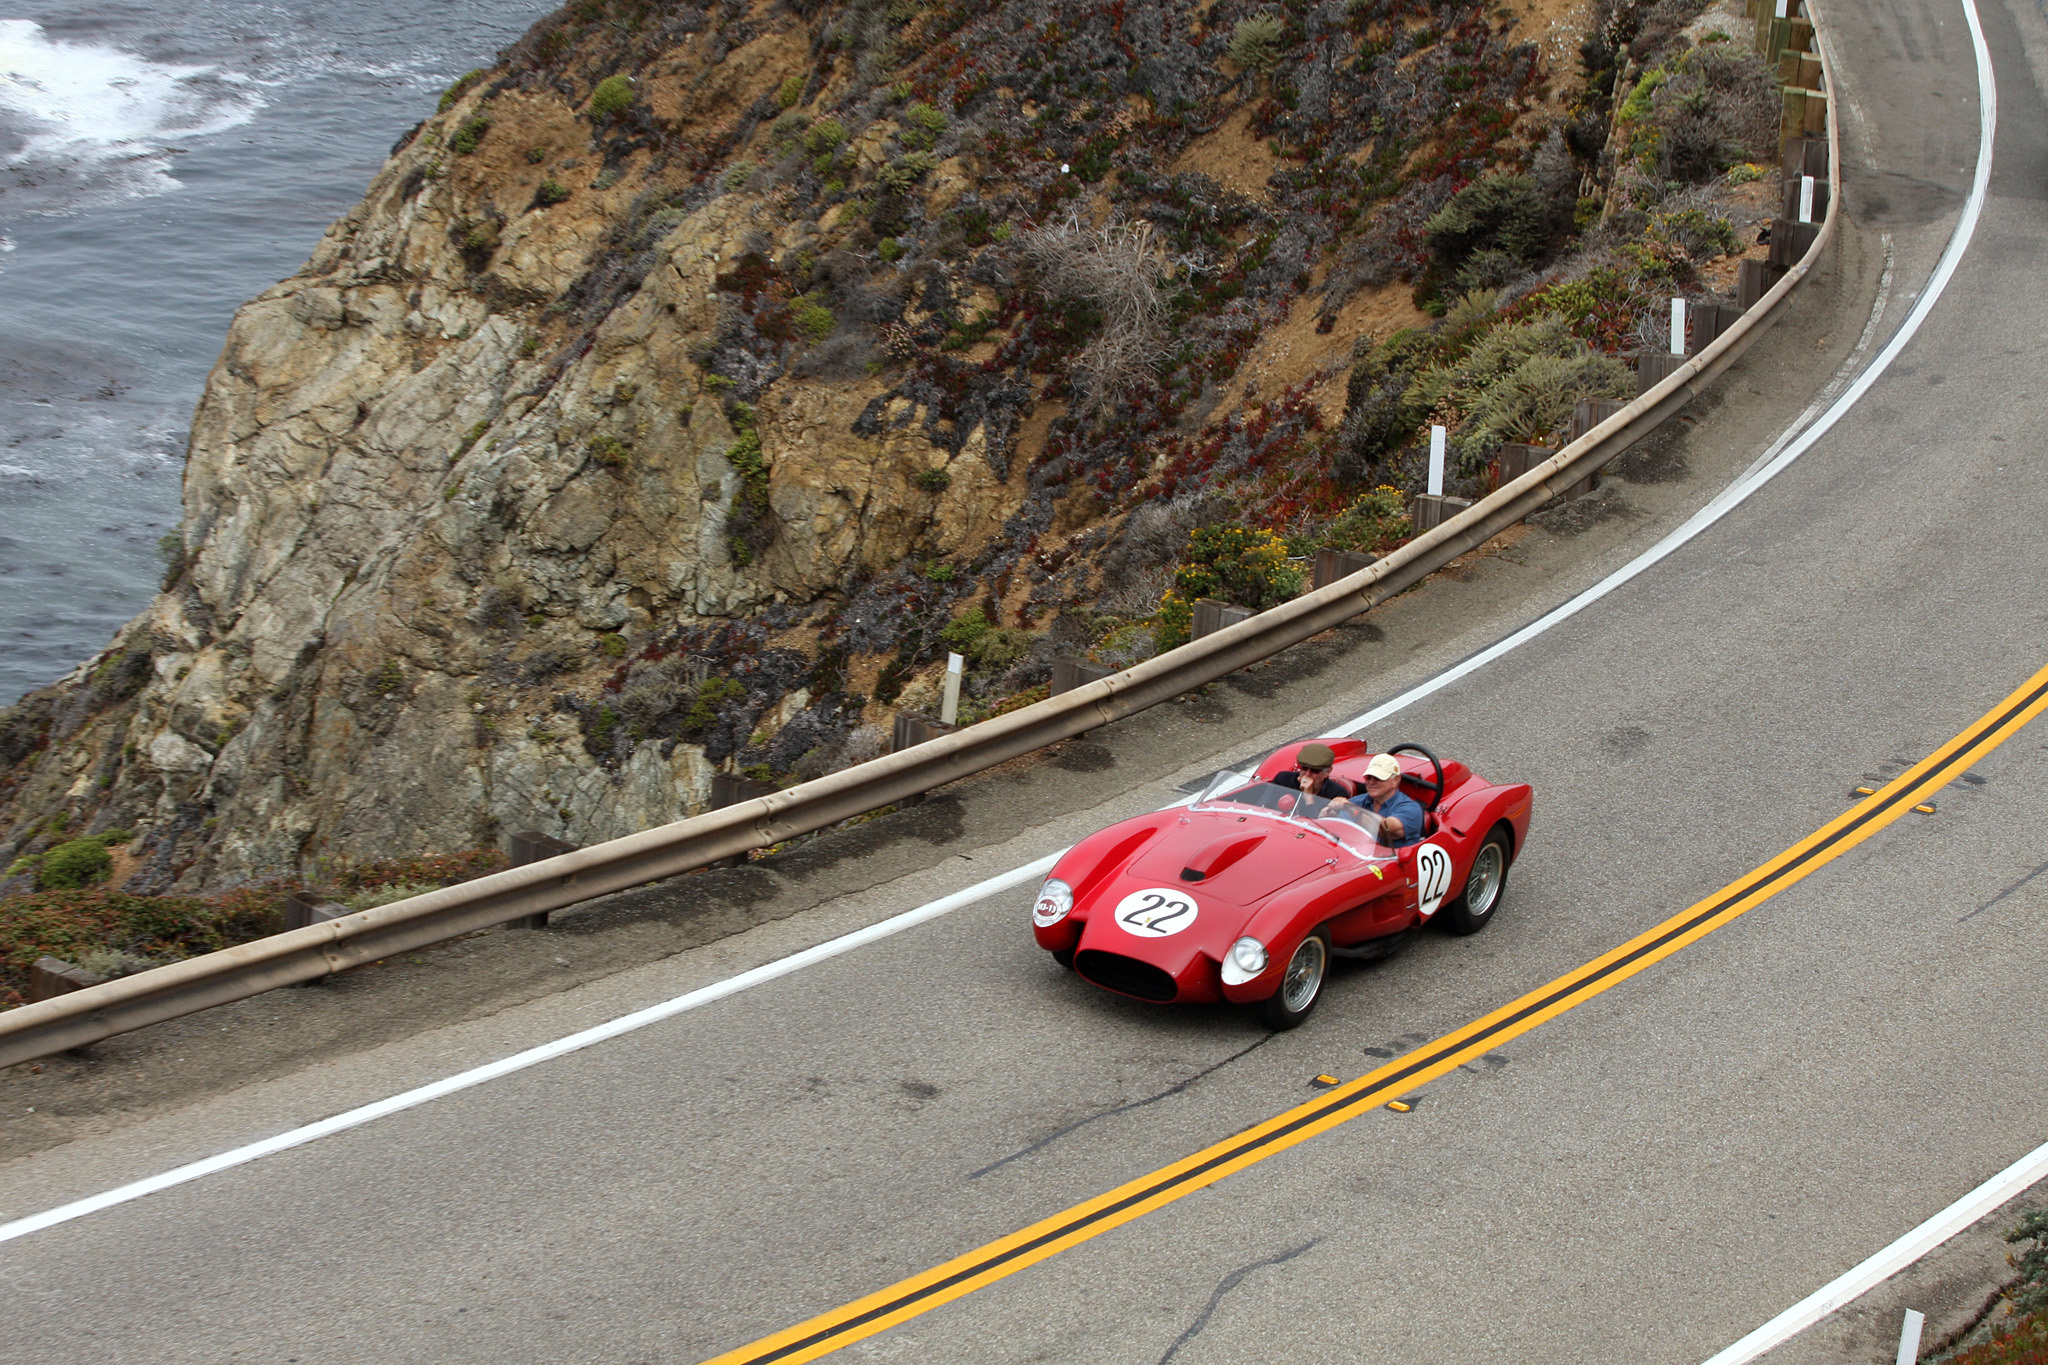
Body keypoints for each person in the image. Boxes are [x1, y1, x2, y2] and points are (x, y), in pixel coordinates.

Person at [1328, 752, 1425, 847]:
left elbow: (1385, 830)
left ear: (1396, 780)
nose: (1371, 782)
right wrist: (1328, 815)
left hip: (1393, 860)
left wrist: (1354, 811)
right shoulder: (1357, 801)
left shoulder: (1412, 809)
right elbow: (1337, 830)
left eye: (1378, 778)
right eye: (1368, 778)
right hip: (1362, 856)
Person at [1270, 743, 1352, 802]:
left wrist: (1308, 796)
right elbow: (1263, 806)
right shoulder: (1282, 780)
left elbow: (1318, 823)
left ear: (1328, 772)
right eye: (1304, 768)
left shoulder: (1336, 793)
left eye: (1315, 770)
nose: (1307, 774)